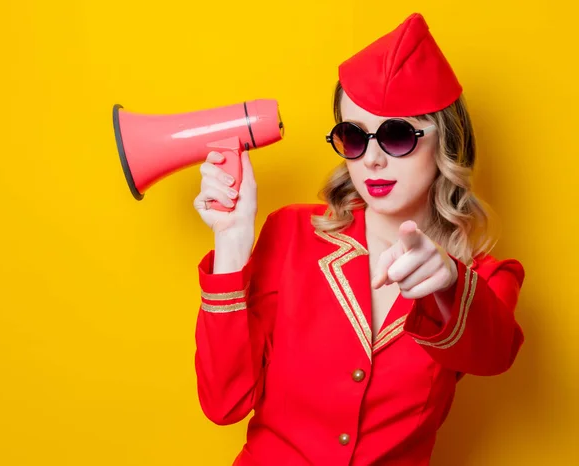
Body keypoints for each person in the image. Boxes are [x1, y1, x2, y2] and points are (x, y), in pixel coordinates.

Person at [192, 12, 525, 466]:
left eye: (397, 135)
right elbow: (223, 404)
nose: (370, 160)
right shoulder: (291, 234)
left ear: (444, 139)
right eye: (353, 136)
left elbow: (493, 353)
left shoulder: (485, 279)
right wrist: (230, 244)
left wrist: (447, 281)